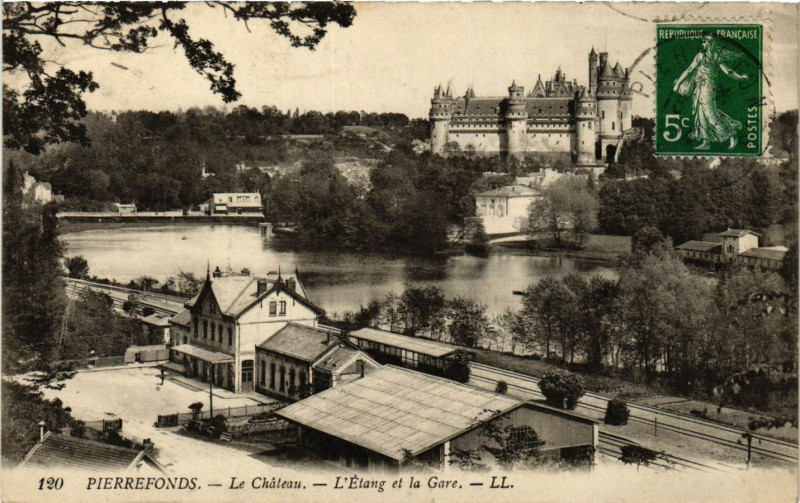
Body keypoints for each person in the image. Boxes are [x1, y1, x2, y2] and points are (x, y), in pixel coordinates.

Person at [672, 34, 749, 150]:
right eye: (702, 42)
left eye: (704, 42)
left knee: (710, 113)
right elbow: (689, 70)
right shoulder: (699, 56)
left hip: (708, 87)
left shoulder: (716, 56)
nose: (702, 44)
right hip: (698, 87)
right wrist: (678, 84)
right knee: (700, 113)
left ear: (710, 44)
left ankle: (731, 134)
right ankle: (706, 141)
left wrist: (740, 77)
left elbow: (728, 71)